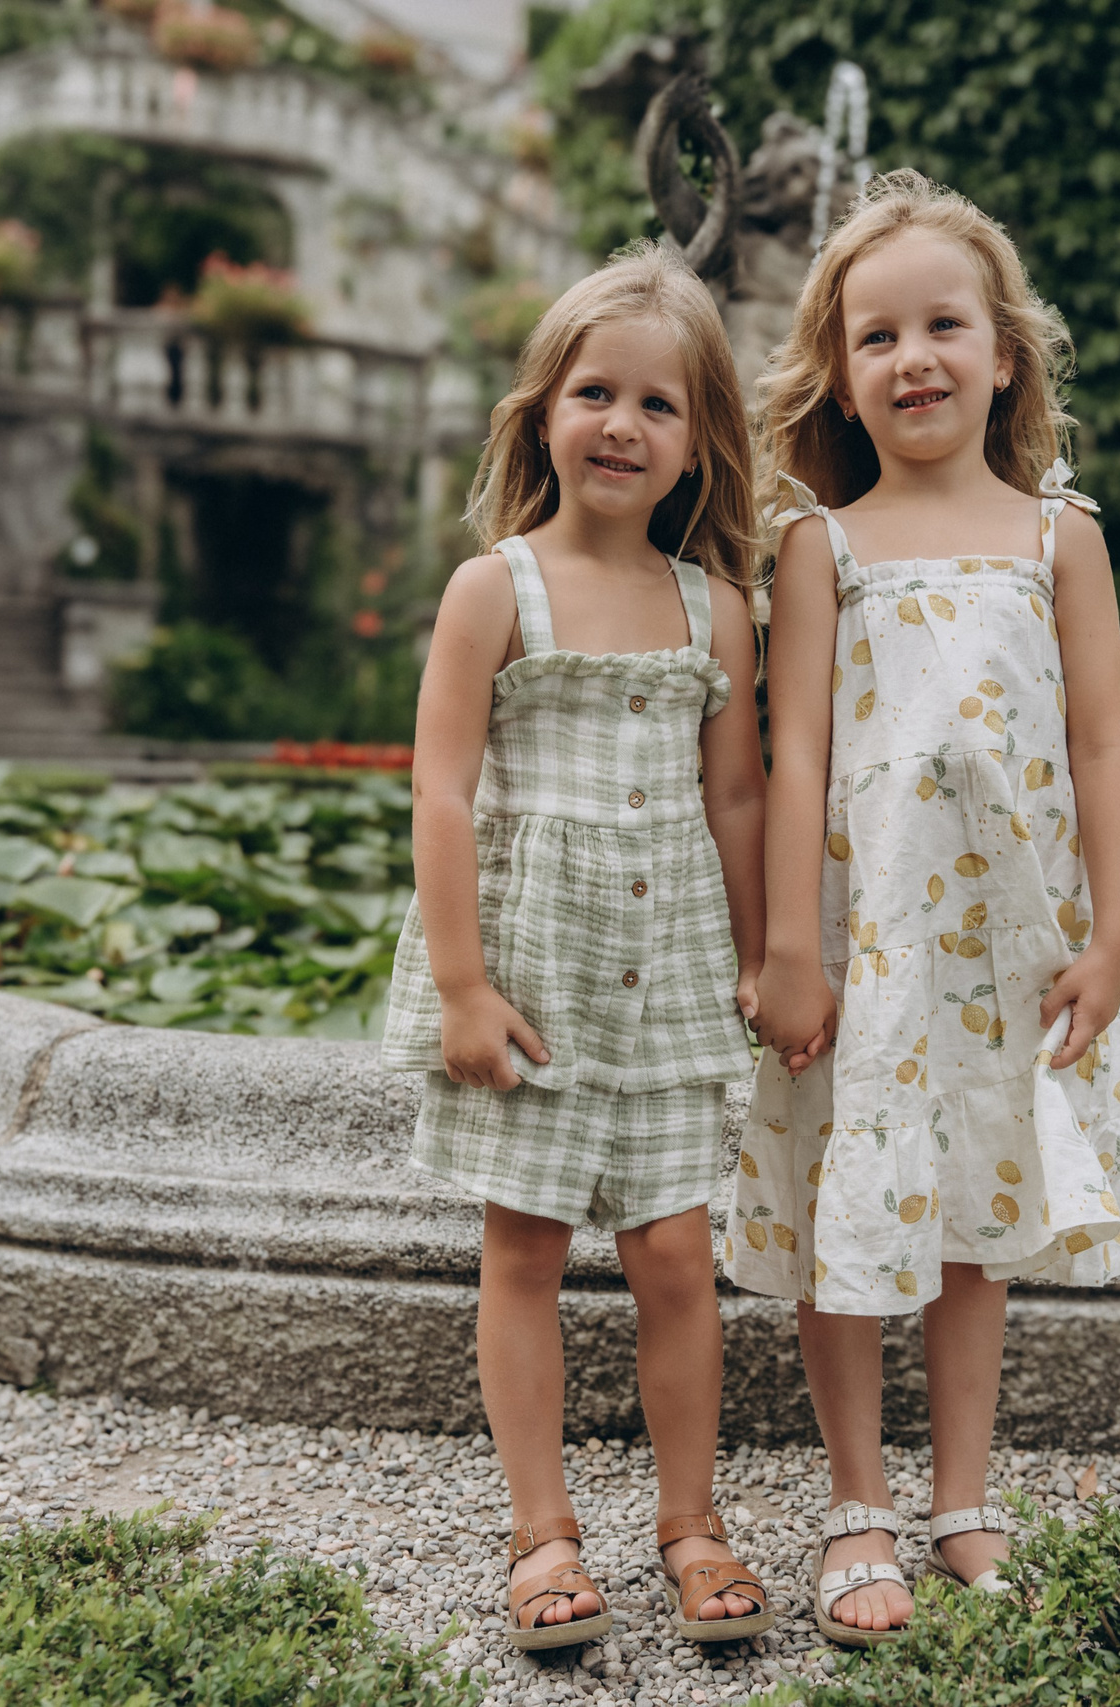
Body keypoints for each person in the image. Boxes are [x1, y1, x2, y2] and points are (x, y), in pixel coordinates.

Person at [729, 171, 1120, 1646]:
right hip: (867, 947)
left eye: (943, 326)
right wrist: (789, 951)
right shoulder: (823, 546)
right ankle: (857, 1502)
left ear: (1004, 351)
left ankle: (963, 1499)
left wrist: (1111, 931)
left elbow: (1103, 743)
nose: (914, 356)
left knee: (979, 1218)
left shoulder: (1062, 537)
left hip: (1005, 941)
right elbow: (796, 755)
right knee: (845, 1212)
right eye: (878, 336)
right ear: (843, 378)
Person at [379, 241, 776, 1652]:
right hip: (535, 968)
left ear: (697, 442)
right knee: (526, 1249)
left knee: (677, 1254)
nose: (623, 424)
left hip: (665, 971)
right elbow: (440, 787)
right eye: (595, 392)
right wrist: (462, 983)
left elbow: (736, 793)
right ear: (543, 411)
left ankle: (691, 1522)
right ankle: (542, 1532)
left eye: (658, 405)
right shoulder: (496, 589)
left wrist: (767, 952)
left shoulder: (713, 605)